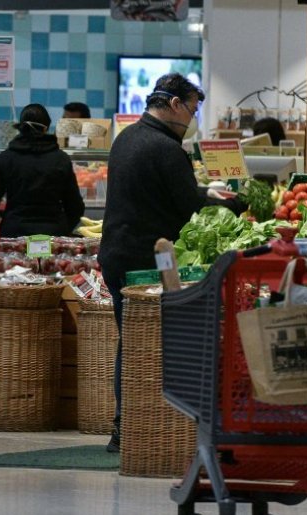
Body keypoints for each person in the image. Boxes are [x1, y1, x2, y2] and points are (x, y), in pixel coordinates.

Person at [100, 73, 243, 453]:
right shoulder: (166, 148)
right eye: (193, 109)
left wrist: (204, 191)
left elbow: (165, 191)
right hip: (145, 261)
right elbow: (188, 207)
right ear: (176, 104)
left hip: (117, 253)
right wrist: (232, 206)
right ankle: (139, 428)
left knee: (131, 342)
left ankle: (125, 426)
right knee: (147, 347)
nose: (193, 118)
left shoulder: (128, 137)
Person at [0, 104, 85, 237]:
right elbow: (76, 207)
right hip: (54, 235)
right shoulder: (61, 159)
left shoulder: (4, 159)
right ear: (46, 128)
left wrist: (0, 227)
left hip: (14, 234)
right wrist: (63, 229)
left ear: (21, 127)